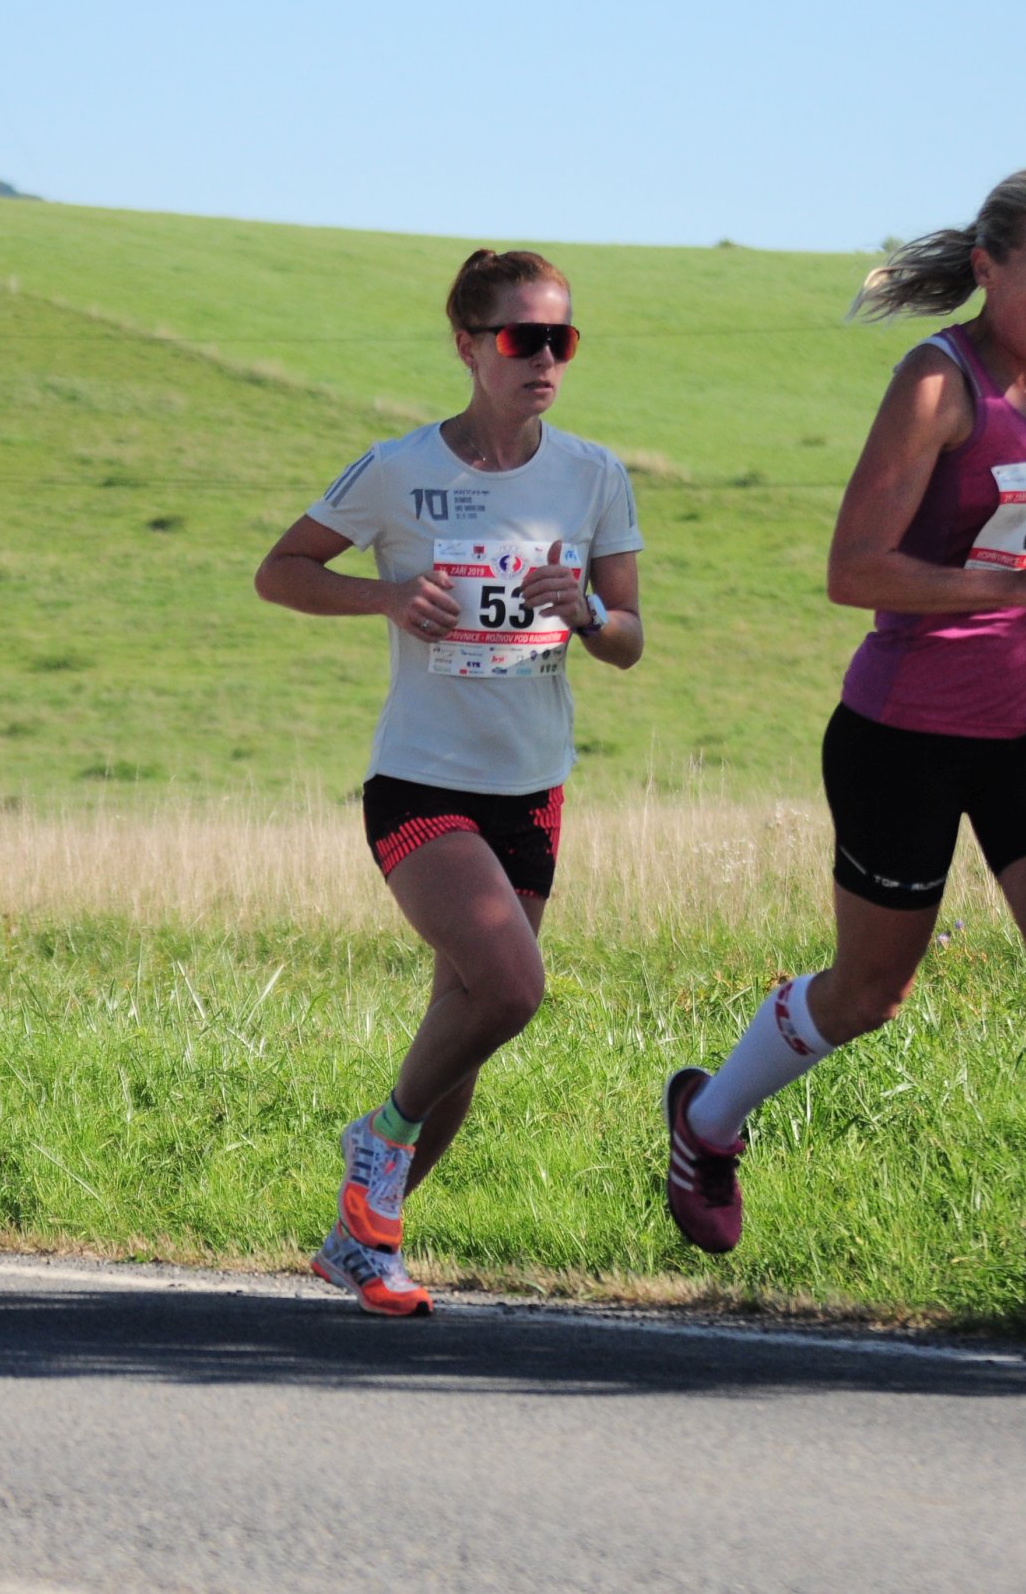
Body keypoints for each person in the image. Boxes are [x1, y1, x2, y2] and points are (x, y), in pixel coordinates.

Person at [661, 168, 1026, 1357]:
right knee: (869, 995)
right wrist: (1011, 585)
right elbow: (853, 568)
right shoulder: (935, 383)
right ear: (988, 269)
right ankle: (705, 1120)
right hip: (905, 731)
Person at [255, 248, 644, 1316]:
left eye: (562, 338)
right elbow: (280, 571)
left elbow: (629, 641)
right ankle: (378, 1138)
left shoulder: (594, 474)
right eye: (523, 337)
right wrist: (386, 597)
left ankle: (361, 1242)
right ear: (469, 345)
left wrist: (587, 613)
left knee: (465, 1026)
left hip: (534, 787)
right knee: (512, 989)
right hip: (423, 781)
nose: (545, 358)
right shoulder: (397, 469)